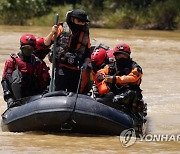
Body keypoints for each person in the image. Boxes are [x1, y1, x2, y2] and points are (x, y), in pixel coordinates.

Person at [44, 9, 91, 92]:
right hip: (62, 66)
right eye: (79, 21)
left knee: (73, 91)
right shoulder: (61, 28)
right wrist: (52, 32)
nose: (81, 23)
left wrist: (85, 63)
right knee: (59, 89)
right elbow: (46, 43)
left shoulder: (85, 33)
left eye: (83, 22)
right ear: (72, 19)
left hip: (76, 68)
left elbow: (87, 53)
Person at [94, 43, 145, 113]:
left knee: (127, 94)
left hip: (129, 93)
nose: (120, 57)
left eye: (123, 55)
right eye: (118, 55)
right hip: (114, 92)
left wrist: (114, 79)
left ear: (128, 56)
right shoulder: (112, 66)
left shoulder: (135, 67)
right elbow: (101, 71)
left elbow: (132, 78)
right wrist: (102, 76)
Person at [1, 34, 46, 108]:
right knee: (15, 75)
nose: (29, 51)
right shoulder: (12, 61)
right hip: (17, 96)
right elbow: (5, 80)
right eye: (26, 48)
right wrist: (8, 98)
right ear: (21, 48)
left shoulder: (38, 62)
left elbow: (44, 81)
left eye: (31, 49)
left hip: (34, 96)